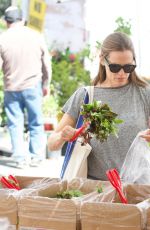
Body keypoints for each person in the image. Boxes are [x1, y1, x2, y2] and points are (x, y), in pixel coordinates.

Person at [48, 32, 150, 180]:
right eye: (115, 67)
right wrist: (62, 136)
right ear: (102, 60)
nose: (122, 73)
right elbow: (51, 144)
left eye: (128, 67)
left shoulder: (144, 94)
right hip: (95, 189)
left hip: (136, 188)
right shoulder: (85, 96)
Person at [0, 6, 51, 168]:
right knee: (36, 122)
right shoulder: (36, 36)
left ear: (6, 22)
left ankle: (20, 158)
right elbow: (46, 64)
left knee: (15, 124)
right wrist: (46, 83)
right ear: (22, 20)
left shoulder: (2, 38)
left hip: (11, 88)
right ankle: (36, 157)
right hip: (33, 86)